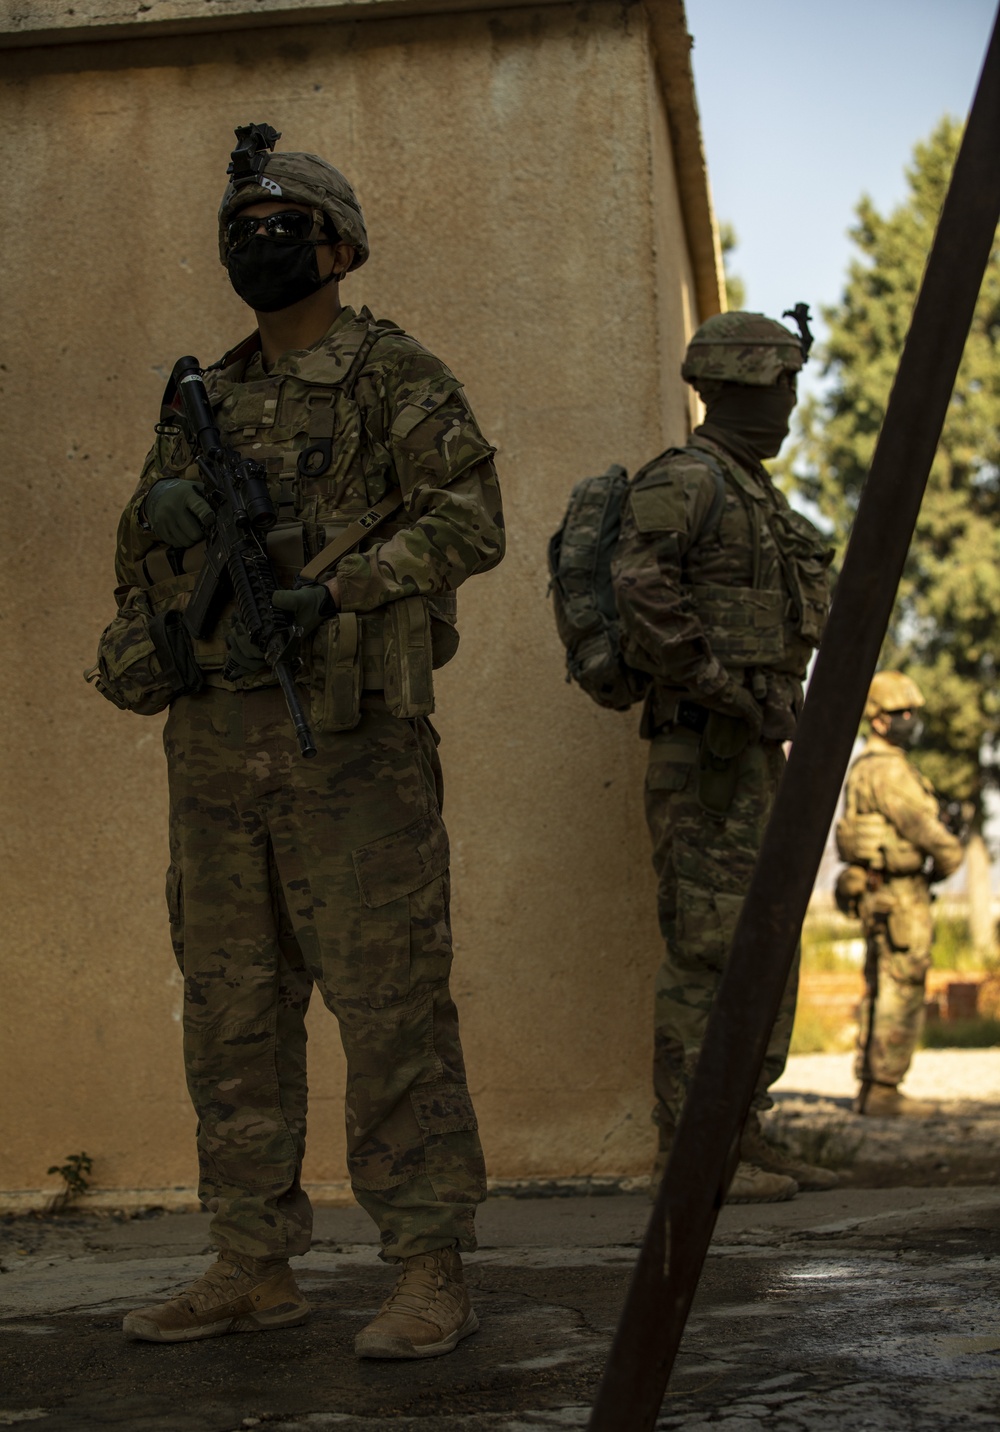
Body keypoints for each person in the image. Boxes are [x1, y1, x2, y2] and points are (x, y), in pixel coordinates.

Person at [104, 125, 504, 1356]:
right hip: (216, 746)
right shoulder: (203, 398)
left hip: (348, 744)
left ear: (335, 247)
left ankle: (429, 1265)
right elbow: (140, 568)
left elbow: (470, 520)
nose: (253, 249)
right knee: (230, 1010)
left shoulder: (394, 374)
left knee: (389, 1006)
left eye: (277, 232)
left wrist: (342, 590)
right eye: (238, 233)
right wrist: (152, 509)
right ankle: (249, 1260)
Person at [611, 310, 837, 1202]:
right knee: (710, 951)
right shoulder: (689, 480)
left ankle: (740, 1133)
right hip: (707, 752)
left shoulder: (750, 489)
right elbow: (641, 586)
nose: (789, 403)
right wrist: (714, 682)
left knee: (763, 944)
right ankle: (689, 1155)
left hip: (753, 750)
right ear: (743, 385)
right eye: (781, 384)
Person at [835, 671, 964, 1117]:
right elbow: (928, 834)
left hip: (878, 891)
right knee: (901, 987)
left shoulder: (864, 768)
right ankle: (884, 1090)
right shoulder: (889, 772)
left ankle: (873, 1085)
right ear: (878, 720)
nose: (909, 720)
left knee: (881, 985)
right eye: (899, 714)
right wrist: (947, 863)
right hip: (900, 893)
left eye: (911, 713)